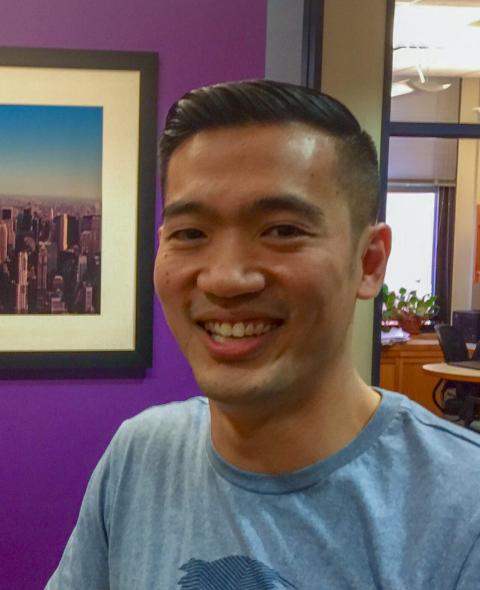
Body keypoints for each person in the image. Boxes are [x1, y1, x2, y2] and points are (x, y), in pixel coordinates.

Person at [46, 81, 480, 590]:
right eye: (191, 234)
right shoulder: (139, 457)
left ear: (369, 262)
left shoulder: (461, 508)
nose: (226, 279)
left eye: (282, 230)